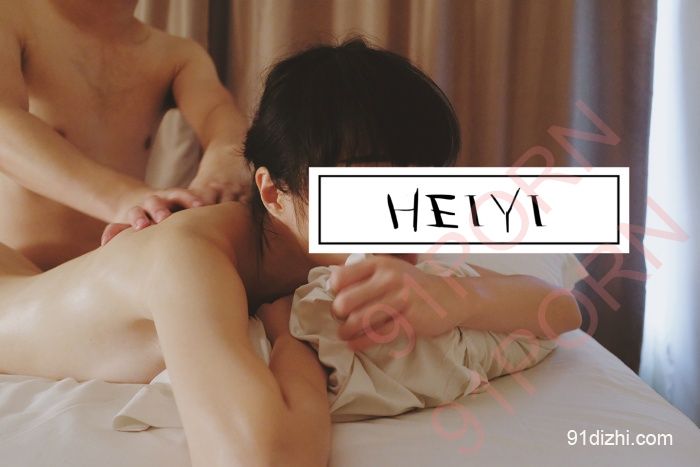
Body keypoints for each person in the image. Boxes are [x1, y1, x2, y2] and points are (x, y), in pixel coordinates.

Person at [0, 39, 580, 466]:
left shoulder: (356, 249)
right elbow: (259, 458)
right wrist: (292, 348)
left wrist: (456, 299)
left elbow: (561, 309)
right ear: (274, 194)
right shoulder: (190, 259)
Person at [0, 0, 249, 270]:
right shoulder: (13, 14)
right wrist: (125, 198)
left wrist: (224, 160)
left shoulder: (177, 55)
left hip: (114, 272)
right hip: (18, 273)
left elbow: (217, 113)